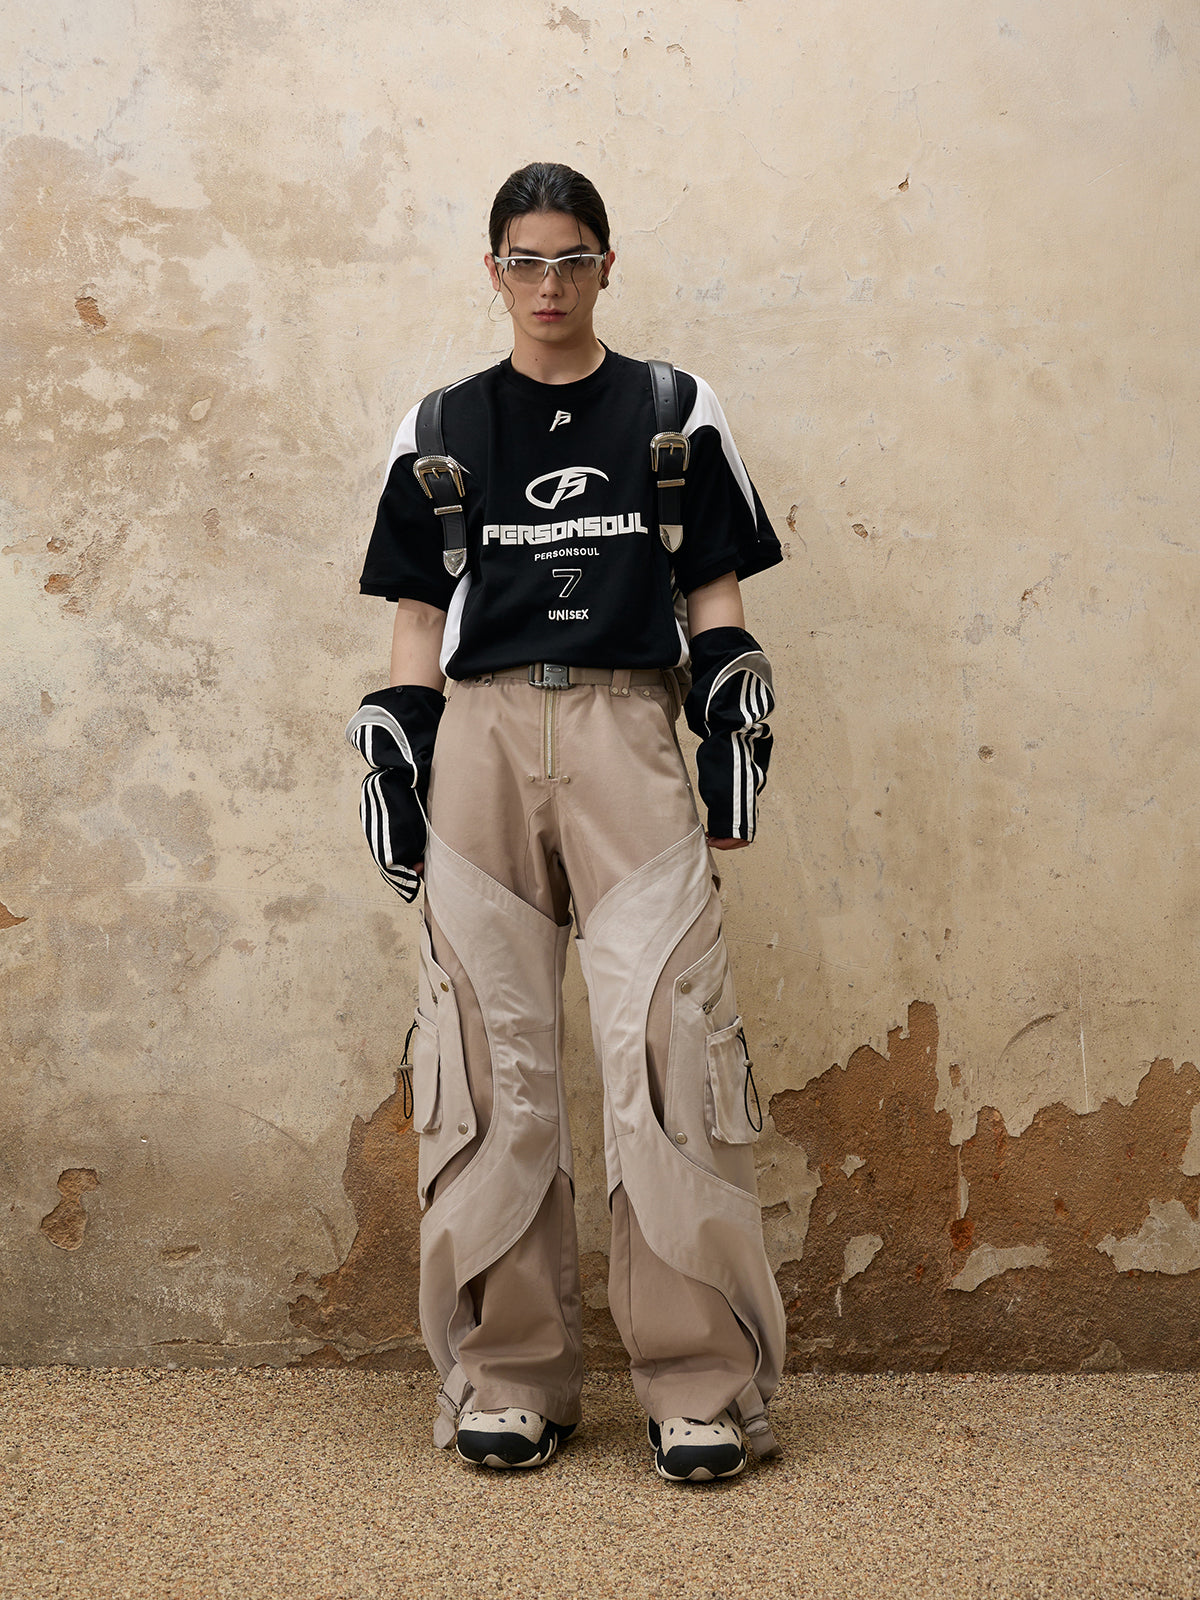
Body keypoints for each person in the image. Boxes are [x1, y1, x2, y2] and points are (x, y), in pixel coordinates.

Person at [347, 162, 786, 1483]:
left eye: (572, 259)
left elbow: (713, 589)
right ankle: (510, 1373)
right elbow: (417, 615)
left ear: (606, 265)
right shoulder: (440, 425)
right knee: (487, 1061)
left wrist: (733, 708)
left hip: (626, 726)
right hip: (481, 735)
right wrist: (399, 747)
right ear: (494, 271)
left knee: (667, 1043)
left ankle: (699, 1386)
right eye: (525, 261)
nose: (549, 284)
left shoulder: (673, 410)